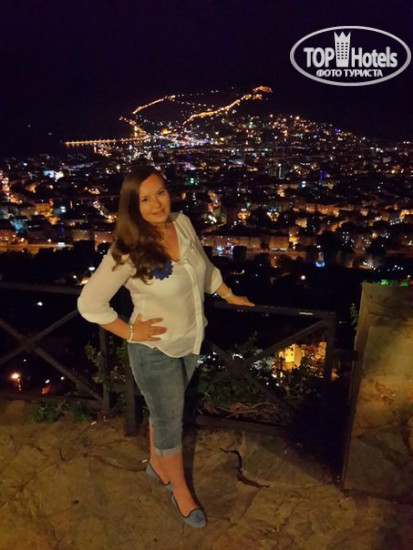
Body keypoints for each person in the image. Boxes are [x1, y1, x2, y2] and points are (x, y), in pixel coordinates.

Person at [77, 166, 254, 528]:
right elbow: (89, 304)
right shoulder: (126, 250)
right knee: (170, 422)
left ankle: (158, 466)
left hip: (190, 341)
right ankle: (180, 490)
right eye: (145, 199)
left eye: (160, 193)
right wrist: (130, 332)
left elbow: (204, 269)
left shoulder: (181, 223)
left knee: (162, 414)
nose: (157, 204)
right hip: (155, 351)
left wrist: (228, 294)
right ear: (132, 206)